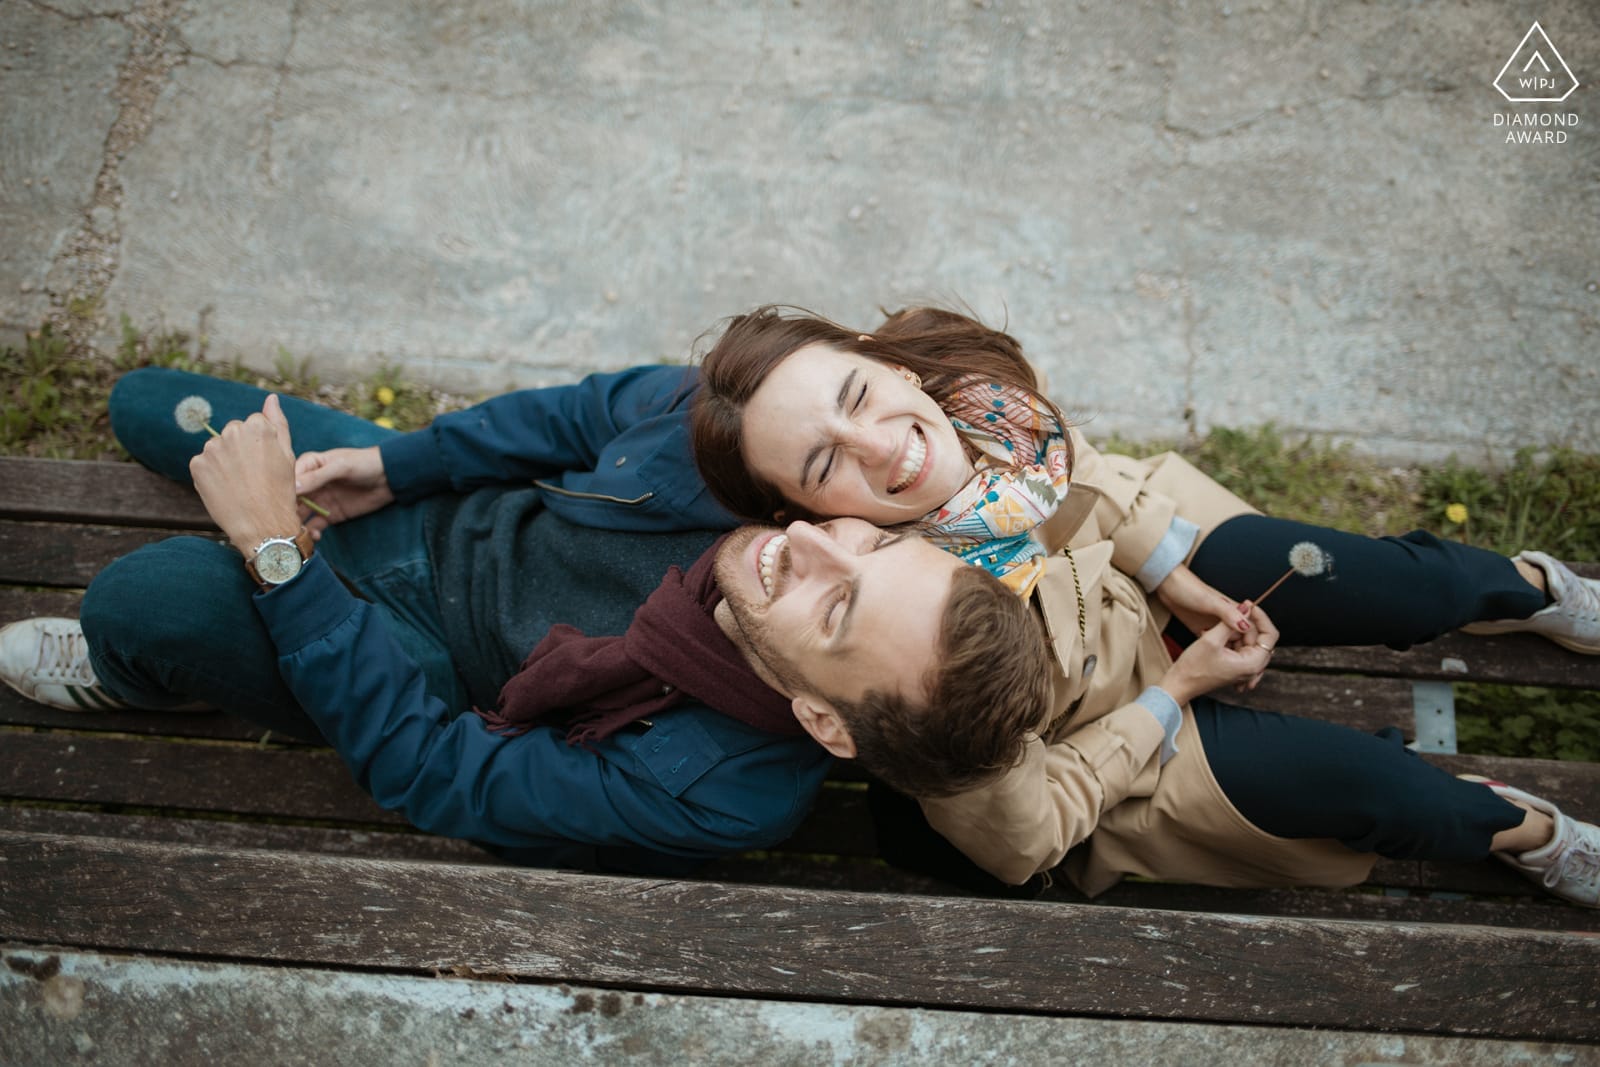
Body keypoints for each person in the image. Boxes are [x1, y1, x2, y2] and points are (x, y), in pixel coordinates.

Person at [687, 303, 1600, 906]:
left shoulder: (978, 410)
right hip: (1124, 736)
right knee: (1381, 792)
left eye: (857, 393)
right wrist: (1180, 691)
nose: (882, 447)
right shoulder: (900, 646)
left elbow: (1083, 481)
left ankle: (1533, 592)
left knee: (1404, 581)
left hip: (1137, 576)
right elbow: (1025, 834)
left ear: (887, 365)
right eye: (824, 464)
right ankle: (1527, 831)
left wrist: (1176, 575)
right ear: (803, 518)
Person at [0, 366, 1046, 874]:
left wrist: (280, 551)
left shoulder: (719, 793)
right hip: (451, 514)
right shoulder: (790, 472)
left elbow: (434, 769)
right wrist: (398, 461)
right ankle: (293, 517)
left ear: (824, 720)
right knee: (148, 403)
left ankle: (137, 673)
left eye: (836, 603)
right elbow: (596, 411)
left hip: (407, 650)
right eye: (871, 545)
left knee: (137, 604)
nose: (812, 540)